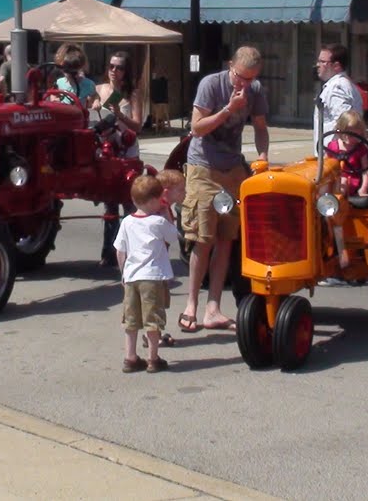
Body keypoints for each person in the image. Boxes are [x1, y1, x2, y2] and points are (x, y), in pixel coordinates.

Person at [179, 46, 269, 333]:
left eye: (250, 79)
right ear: (231, 66)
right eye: (240, 77)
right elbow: (197, 128)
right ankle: (191, 304)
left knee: (226, 239)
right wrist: (229, 109)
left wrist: (263, 155)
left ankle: (213, 308)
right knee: (202, 238)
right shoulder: (211, 84)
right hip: (203, 166)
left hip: (232, 170)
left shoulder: (255, 90)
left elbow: (260, 126)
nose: (244, 84)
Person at [114, 174, 180, 373]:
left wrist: (123, 274)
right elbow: (174, 237)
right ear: (153, 201)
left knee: (131, 320)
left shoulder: (127, 222)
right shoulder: (158, 222)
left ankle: (130, 357)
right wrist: (166, 215)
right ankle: (153, 358)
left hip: (132, 276)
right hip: (152, 277)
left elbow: (120, 251)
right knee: (153, 320)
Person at [93, 51, 144, 266]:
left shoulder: (132, 94)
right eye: (111, 66)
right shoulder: (99, 90)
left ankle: (132, 251)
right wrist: (95, 108)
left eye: (119, 67)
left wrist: (119, 114)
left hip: (127, 148)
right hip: (107, 148)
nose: (114, 71)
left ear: (126, 71)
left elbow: (138, 125)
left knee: (129, 204)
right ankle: (109, 252)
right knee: (109, 203)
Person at [314, 44, 359, 155]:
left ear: (336, 66)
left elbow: (345, 123)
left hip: (335, 157)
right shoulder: (343, 84)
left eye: (322, 62)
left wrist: (338, 152)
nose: (317, 65)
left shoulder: (337, 88)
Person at [325, 110, 368, 198]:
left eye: (355, 135)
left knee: (342, 183)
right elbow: (325, 165)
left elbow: (366, 170)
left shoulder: (360, 149)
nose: (351, 138)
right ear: (340, 131)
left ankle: (333, 204)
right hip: (333, 177)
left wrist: (363, 189)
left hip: (350, 179)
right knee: (319, 186)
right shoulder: (332, 146)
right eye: (349, 134)